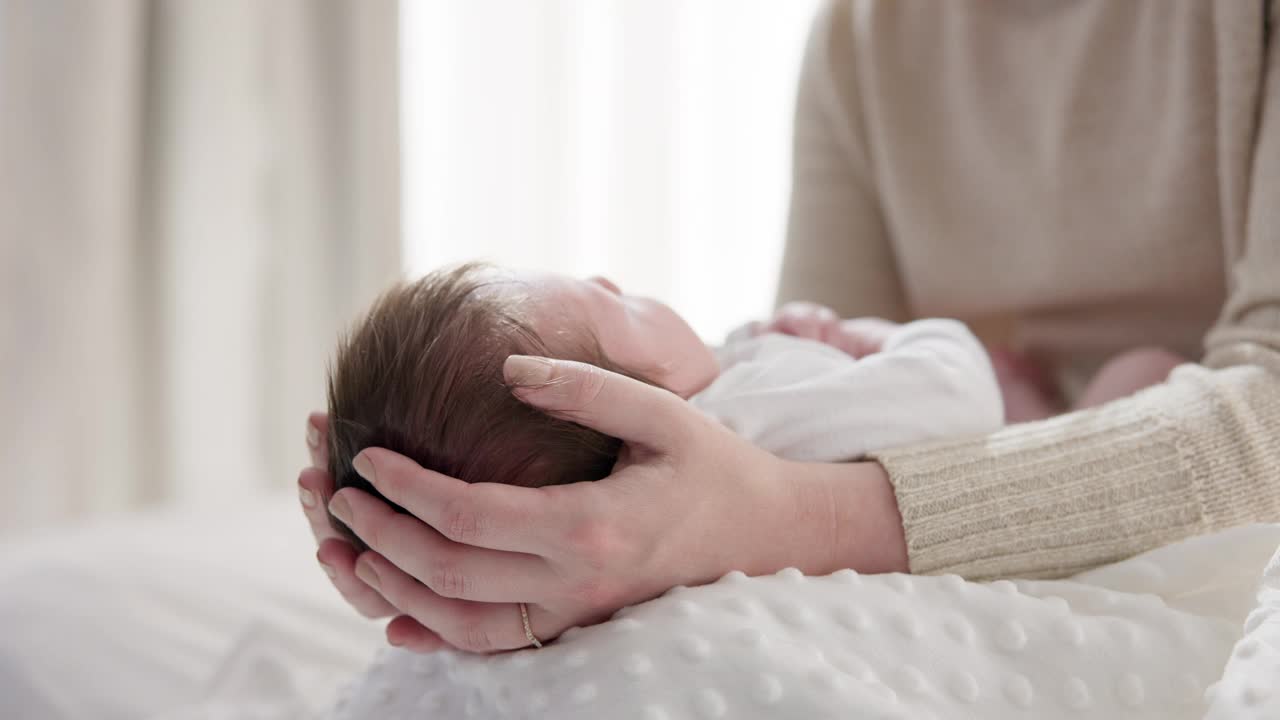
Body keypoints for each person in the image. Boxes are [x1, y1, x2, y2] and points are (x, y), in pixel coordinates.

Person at [297, 0, 1280, 653]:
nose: (614, 278)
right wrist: (474, 566)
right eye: (612, 303)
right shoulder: (867, 35)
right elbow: (869, 386)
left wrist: (792, 517)